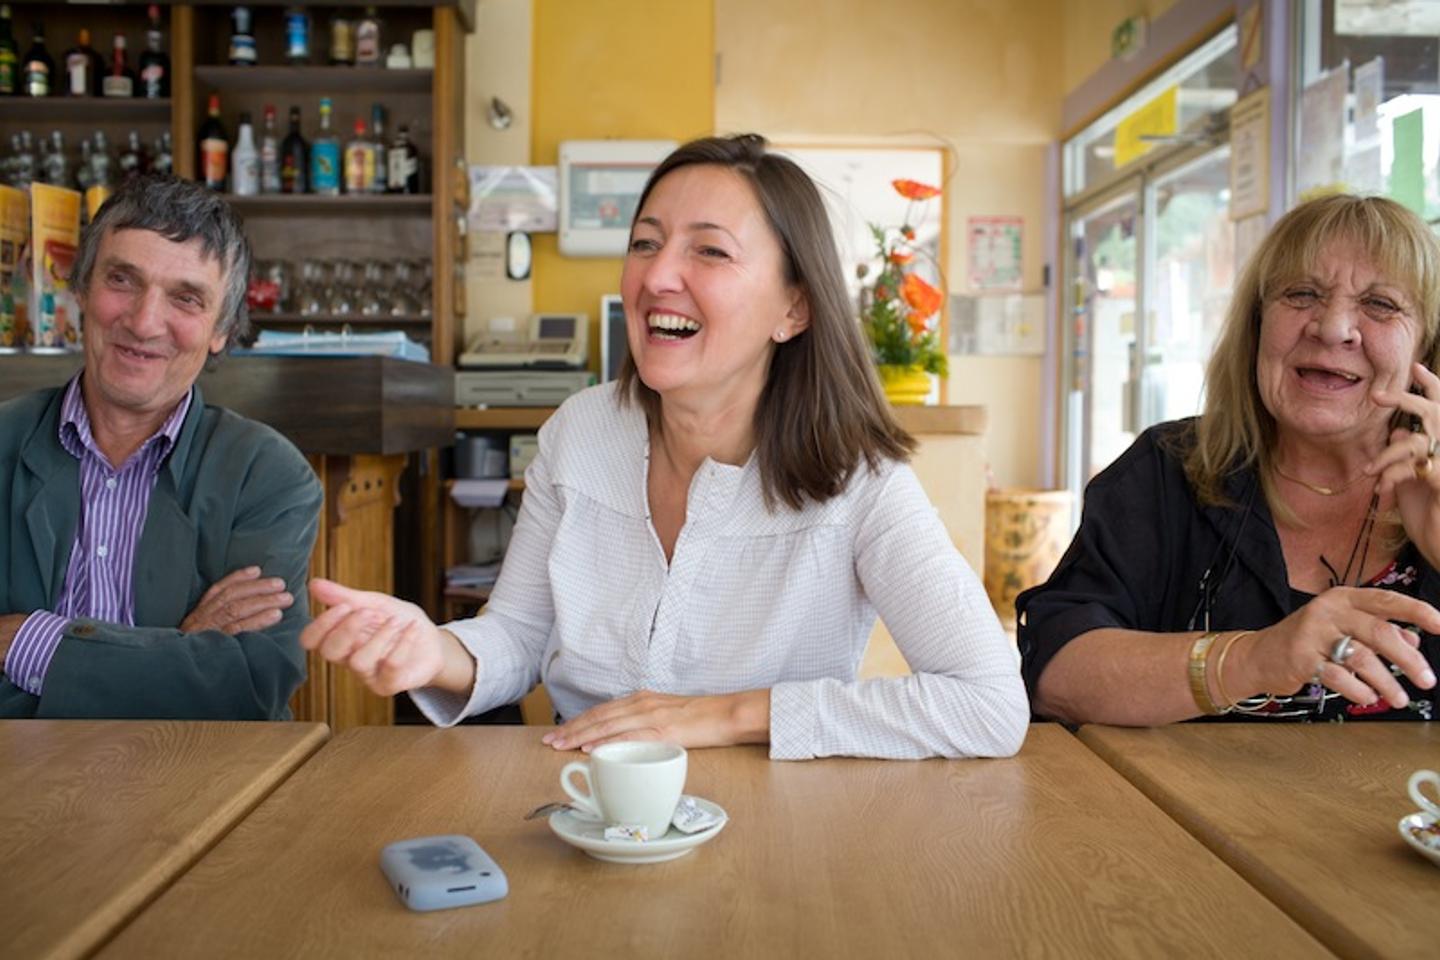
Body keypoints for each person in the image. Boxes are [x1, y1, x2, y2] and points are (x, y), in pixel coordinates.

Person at [303, 134, 1028, 759]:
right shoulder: (580, 431)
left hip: (781, 818)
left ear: (794, 307)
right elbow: (519, 637)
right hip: (587, 801)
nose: (655, 277)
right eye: (645, 242)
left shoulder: (860, 478)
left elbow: (991, 702)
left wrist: (730, 715)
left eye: (709, 250)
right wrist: (438, 650)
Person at [1019, 194, 1440, 724]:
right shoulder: (1168, 469)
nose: (1333, 328)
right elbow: (1055, 674)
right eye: (1302, 293)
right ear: (1257, 327)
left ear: (1426, 348)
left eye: (1380, 304)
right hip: (1160, 808)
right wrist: (1250, 658)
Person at [0, 175, 322, 719]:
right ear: (79, 288)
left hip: (201, 782)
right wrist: (178, 646)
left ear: (222, 329)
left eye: (186, 298)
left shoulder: (268, 475)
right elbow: (207, 679)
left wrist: (33, 642)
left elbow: (247, 686)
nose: (145, 322)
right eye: (122, 280)